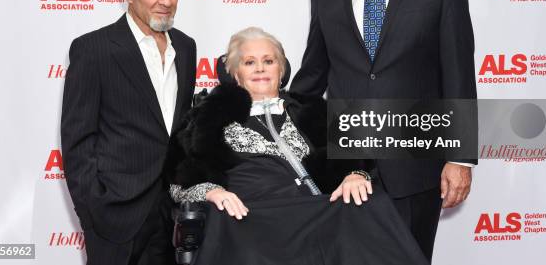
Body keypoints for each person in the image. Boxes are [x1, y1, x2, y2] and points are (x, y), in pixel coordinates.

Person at [290, 0, 477, 262]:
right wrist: (265, 119)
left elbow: (458, 69)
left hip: (416, 166)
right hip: (344, 169)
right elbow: (313, 75)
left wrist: (460, 157)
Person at [167, 27, 428, 265]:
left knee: (373, 203)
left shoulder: (312, 110)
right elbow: (179, 183)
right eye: (250, 63)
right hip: (254, 217)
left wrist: (355, 174)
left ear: (281, 71)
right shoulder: (207, 117)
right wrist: (212, 192)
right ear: (235, 73)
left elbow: (361, 158)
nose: (260, 69)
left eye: (269, 61)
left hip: (315, 212)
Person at [61, 0, 196, 265]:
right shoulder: (93, 49)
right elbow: (77, 142)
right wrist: (96, 212)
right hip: (116, 218)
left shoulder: (186, 48)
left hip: (172, 215)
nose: (165, 0)